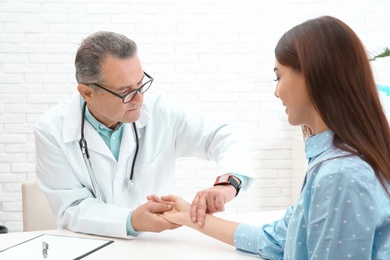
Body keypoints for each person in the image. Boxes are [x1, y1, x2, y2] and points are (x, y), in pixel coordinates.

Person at [150, 16, 390, 259]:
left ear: (312, 75)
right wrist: (189, 217)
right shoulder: (333, 160)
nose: (276, 92)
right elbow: (276, 239)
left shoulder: (340, 176)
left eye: (279, 76)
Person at [34, 31, 254, 239]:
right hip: (90, 245)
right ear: (88, 93)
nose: (139, 99)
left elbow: (226, 134)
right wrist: (131, 220)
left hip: (154, 246)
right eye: (126, 92)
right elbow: (71, 208)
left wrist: (227, 184)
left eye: (140, 84)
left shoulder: (159, 111)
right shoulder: (51, 130)